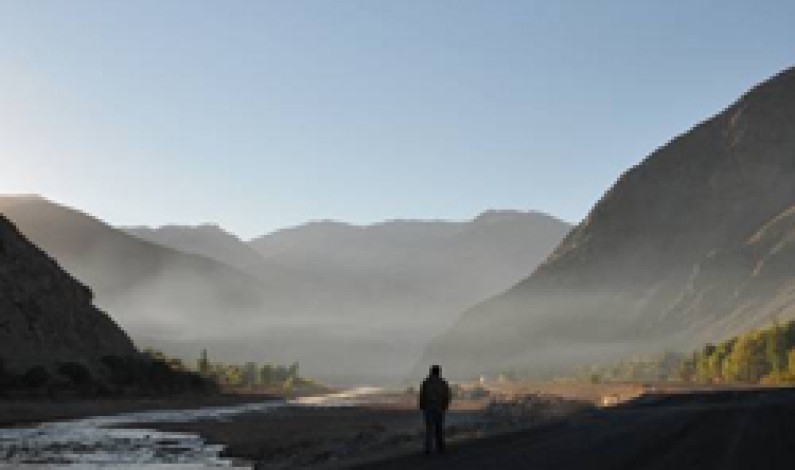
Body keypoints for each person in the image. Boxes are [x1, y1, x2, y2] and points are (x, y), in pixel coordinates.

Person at [419, 364, 452, 455]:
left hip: (429, 407)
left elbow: (422, 395)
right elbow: (447, 395)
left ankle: (428, 448)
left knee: (429, 428)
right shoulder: (442, 383)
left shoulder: (426, 382)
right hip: (439, 407)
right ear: (439, 372)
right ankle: (440, 447)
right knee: (439, 428)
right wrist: (445, 406)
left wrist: (422, 405)